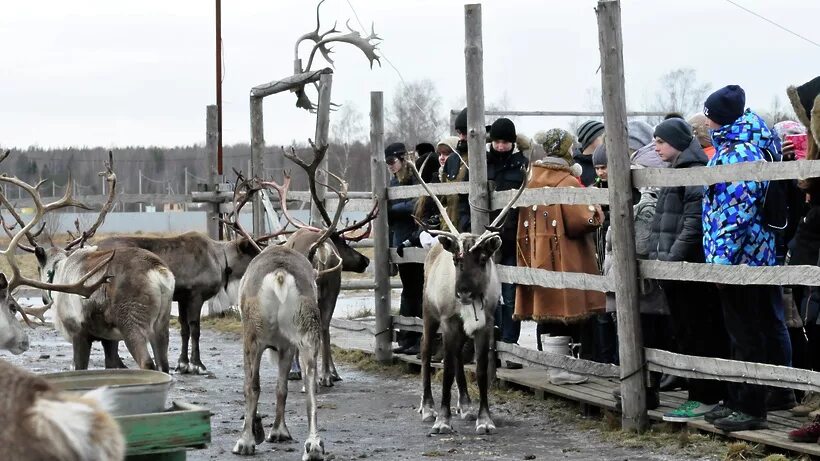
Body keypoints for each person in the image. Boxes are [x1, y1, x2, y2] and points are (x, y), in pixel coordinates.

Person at [699, 85, 784, 432]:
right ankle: (740, 399)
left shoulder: (737, 154)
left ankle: (751, 406)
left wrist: (720, 260)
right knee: (746, 328)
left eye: (708, 116)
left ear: (719, 118)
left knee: (746, 331)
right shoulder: (743, 144)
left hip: (741, 258)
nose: (705, 123)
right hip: (752, 254)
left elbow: (736, 213)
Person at [647, 118, 729, 422]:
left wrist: (671, 259)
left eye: (661, 142)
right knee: (685, 332)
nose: (656, 148)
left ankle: (704, 396)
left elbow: (693, 223)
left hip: (687, 269)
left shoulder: (691, 172)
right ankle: (701, 393)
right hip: (675, 267)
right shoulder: (675, 171)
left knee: (698, 332)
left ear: (677, 142)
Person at [515, 128, 603, 383]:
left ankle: (555, 368)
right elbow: (581, 221)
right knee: (567, 308)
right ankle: (562, 370)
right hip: (565, 255)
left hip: (537, 255)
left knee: (549, 309)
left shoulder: (531, 179)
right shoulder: (566, 181)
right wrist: (596, 209)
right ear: (564, 150)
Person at [486, 118, 529, 367]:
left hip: (512, 239)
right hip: (485, 239)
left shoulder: (521, 166)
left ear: (512, 143)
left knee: (511, 294)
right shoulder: (482, 164)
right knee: (487, 293)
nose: (501, 146)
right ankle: (491, 343)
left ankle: (510, 345)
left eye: (506, 142)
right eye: (497, 141)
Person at [385, 142, 423, 355]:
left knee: (418, 288)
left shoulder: (413, 178)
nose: (390, 165)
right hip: (399, 241)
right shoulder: (393, 181)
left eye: (393, 161)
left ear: (402, 158)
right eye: (387, 162)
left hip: (413, 239)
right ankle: (407, 336)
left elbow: (416, 204)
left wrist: (391, 210)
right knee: (408, 290)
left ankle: (419, 336)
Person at [575, 120, 605, 186]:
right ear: (592, 139)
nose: (606, 139)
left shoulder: (608, 161)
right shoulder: (574, 166)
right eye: (602, 136)